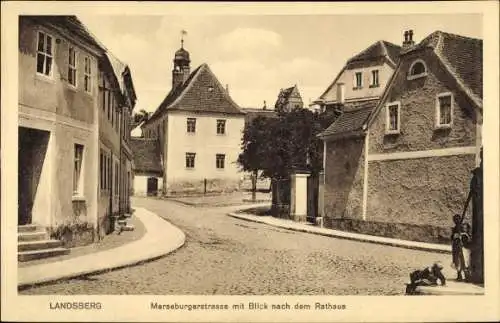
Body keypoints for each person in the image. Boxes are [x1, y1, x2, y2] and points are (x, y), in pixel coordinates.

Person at [451, 214, 471, 281]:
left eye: (457, 219)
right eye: (455, 220)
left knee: (465, 262)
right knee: (457, 262)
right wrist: (456, 236)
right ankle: (459, 276)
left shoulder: (463, 227)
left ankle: (467, 277)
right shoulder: (455, 228)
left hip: (463, 247)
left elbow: (467, 237)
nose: (456, 221)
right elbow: (452, 238)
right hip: (456, 247)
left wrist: (462, 235)